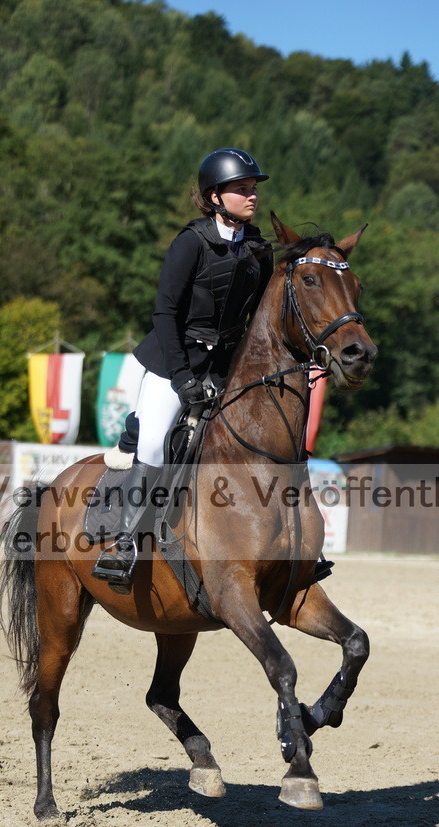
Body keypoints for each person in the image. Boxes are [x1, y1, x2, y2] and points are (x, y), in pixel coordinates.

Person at [92, 148, 273, 592]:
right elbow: (164, 315)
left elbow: (259, 319)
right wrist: (182, 379)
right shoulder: (190, 242)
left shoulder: (259, 249)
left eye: (253, 189)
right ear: (215, 196)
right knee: (154, 440)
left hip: (225, 368)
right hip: (174, 363)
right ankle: (125, 541)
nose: (252, 197)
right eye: (242, 190)